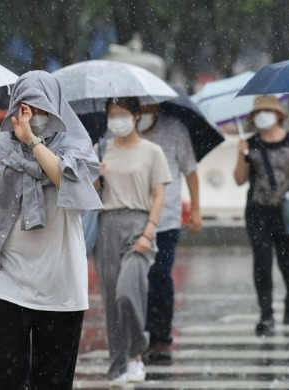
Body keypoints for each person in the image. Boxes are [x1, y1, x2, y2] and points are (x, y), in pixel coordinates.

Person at [0, 71, 102, 390]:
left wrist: (32, 143)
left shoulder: (76, 146)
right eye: (27, 108)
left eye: (41, 108)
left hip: (60, 284)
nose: (33, 116)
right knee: (2, 377)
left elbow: (68, 182)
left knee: (52, 381)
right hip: (7, 280)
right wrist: (9, 168)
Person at [95, 97, 172, 384]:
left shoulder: (152, 152)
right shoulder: (100, 149)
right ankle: (118, 364)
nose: (117, 119)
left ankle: (137, 351)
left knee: (127, 293)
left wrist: (149, 231)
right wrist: (96, 178)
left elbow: (159, 195)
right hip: (107, 225)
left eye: (122, 114)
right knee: (112, 302)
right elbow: (87, 194)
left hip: (139, 224)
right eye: (112, 114)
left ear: (136, 116)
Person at [233, 96, 289, 337]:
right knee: (262, 262)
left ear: (278, 114)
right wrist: (241, 155)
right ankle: (266, 313)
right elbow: (239, 179)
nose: (263, 116)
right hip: (258, 211)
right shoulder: (251, 143)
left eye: (267, 111)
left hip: (287, 210)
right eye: (259, 112)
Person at [137, 104, 202, 365]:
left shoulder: (175, 129)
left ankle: (161, 338)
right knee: (133, 282)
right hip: (130, 220)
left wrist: (196, 209)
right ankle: (139, 337)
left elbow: (191, 170)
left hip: (166, 220)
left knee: (160, 276)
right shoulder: (118, 130)